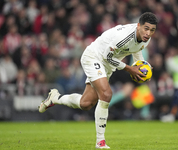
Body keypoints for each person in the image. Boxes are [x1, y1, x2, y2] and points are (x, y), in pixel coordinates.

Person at [38, 12, 158, 149]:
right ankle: (100, 142)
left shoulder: (145, 39)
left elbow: (136, 49)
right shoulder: (124, 37)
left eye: (152, 30)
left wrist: (141, 66)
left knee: (86, 103)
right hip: (94, 57)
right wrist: (130, 69)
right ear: (138, 26)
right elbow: (108, 56)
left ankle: (55, 98)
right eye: (146, 28)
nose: (148, 33)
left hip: (107, 64)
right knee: (106, 94)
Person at [160, 47, 178, 122]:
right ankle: (172, 115)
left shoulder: (171, 60)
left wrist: (168, 60)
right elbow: (170, 70)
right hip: (176, 84)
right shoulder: (174, 59)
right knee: (175, 101)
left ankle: (172, 115)